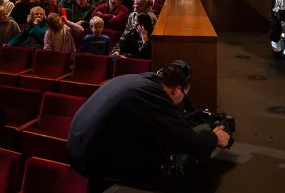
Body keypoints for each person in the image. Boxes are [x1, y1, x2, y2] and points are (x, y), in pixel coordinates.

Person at [67, 61, 231, 190]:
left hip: (74, 147)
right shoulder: (154, 96)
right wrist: (214, 137)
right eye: (184, 95)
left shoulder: (139, 80)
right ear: (177, 90)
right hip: (90, 161)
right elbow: (190, 142)